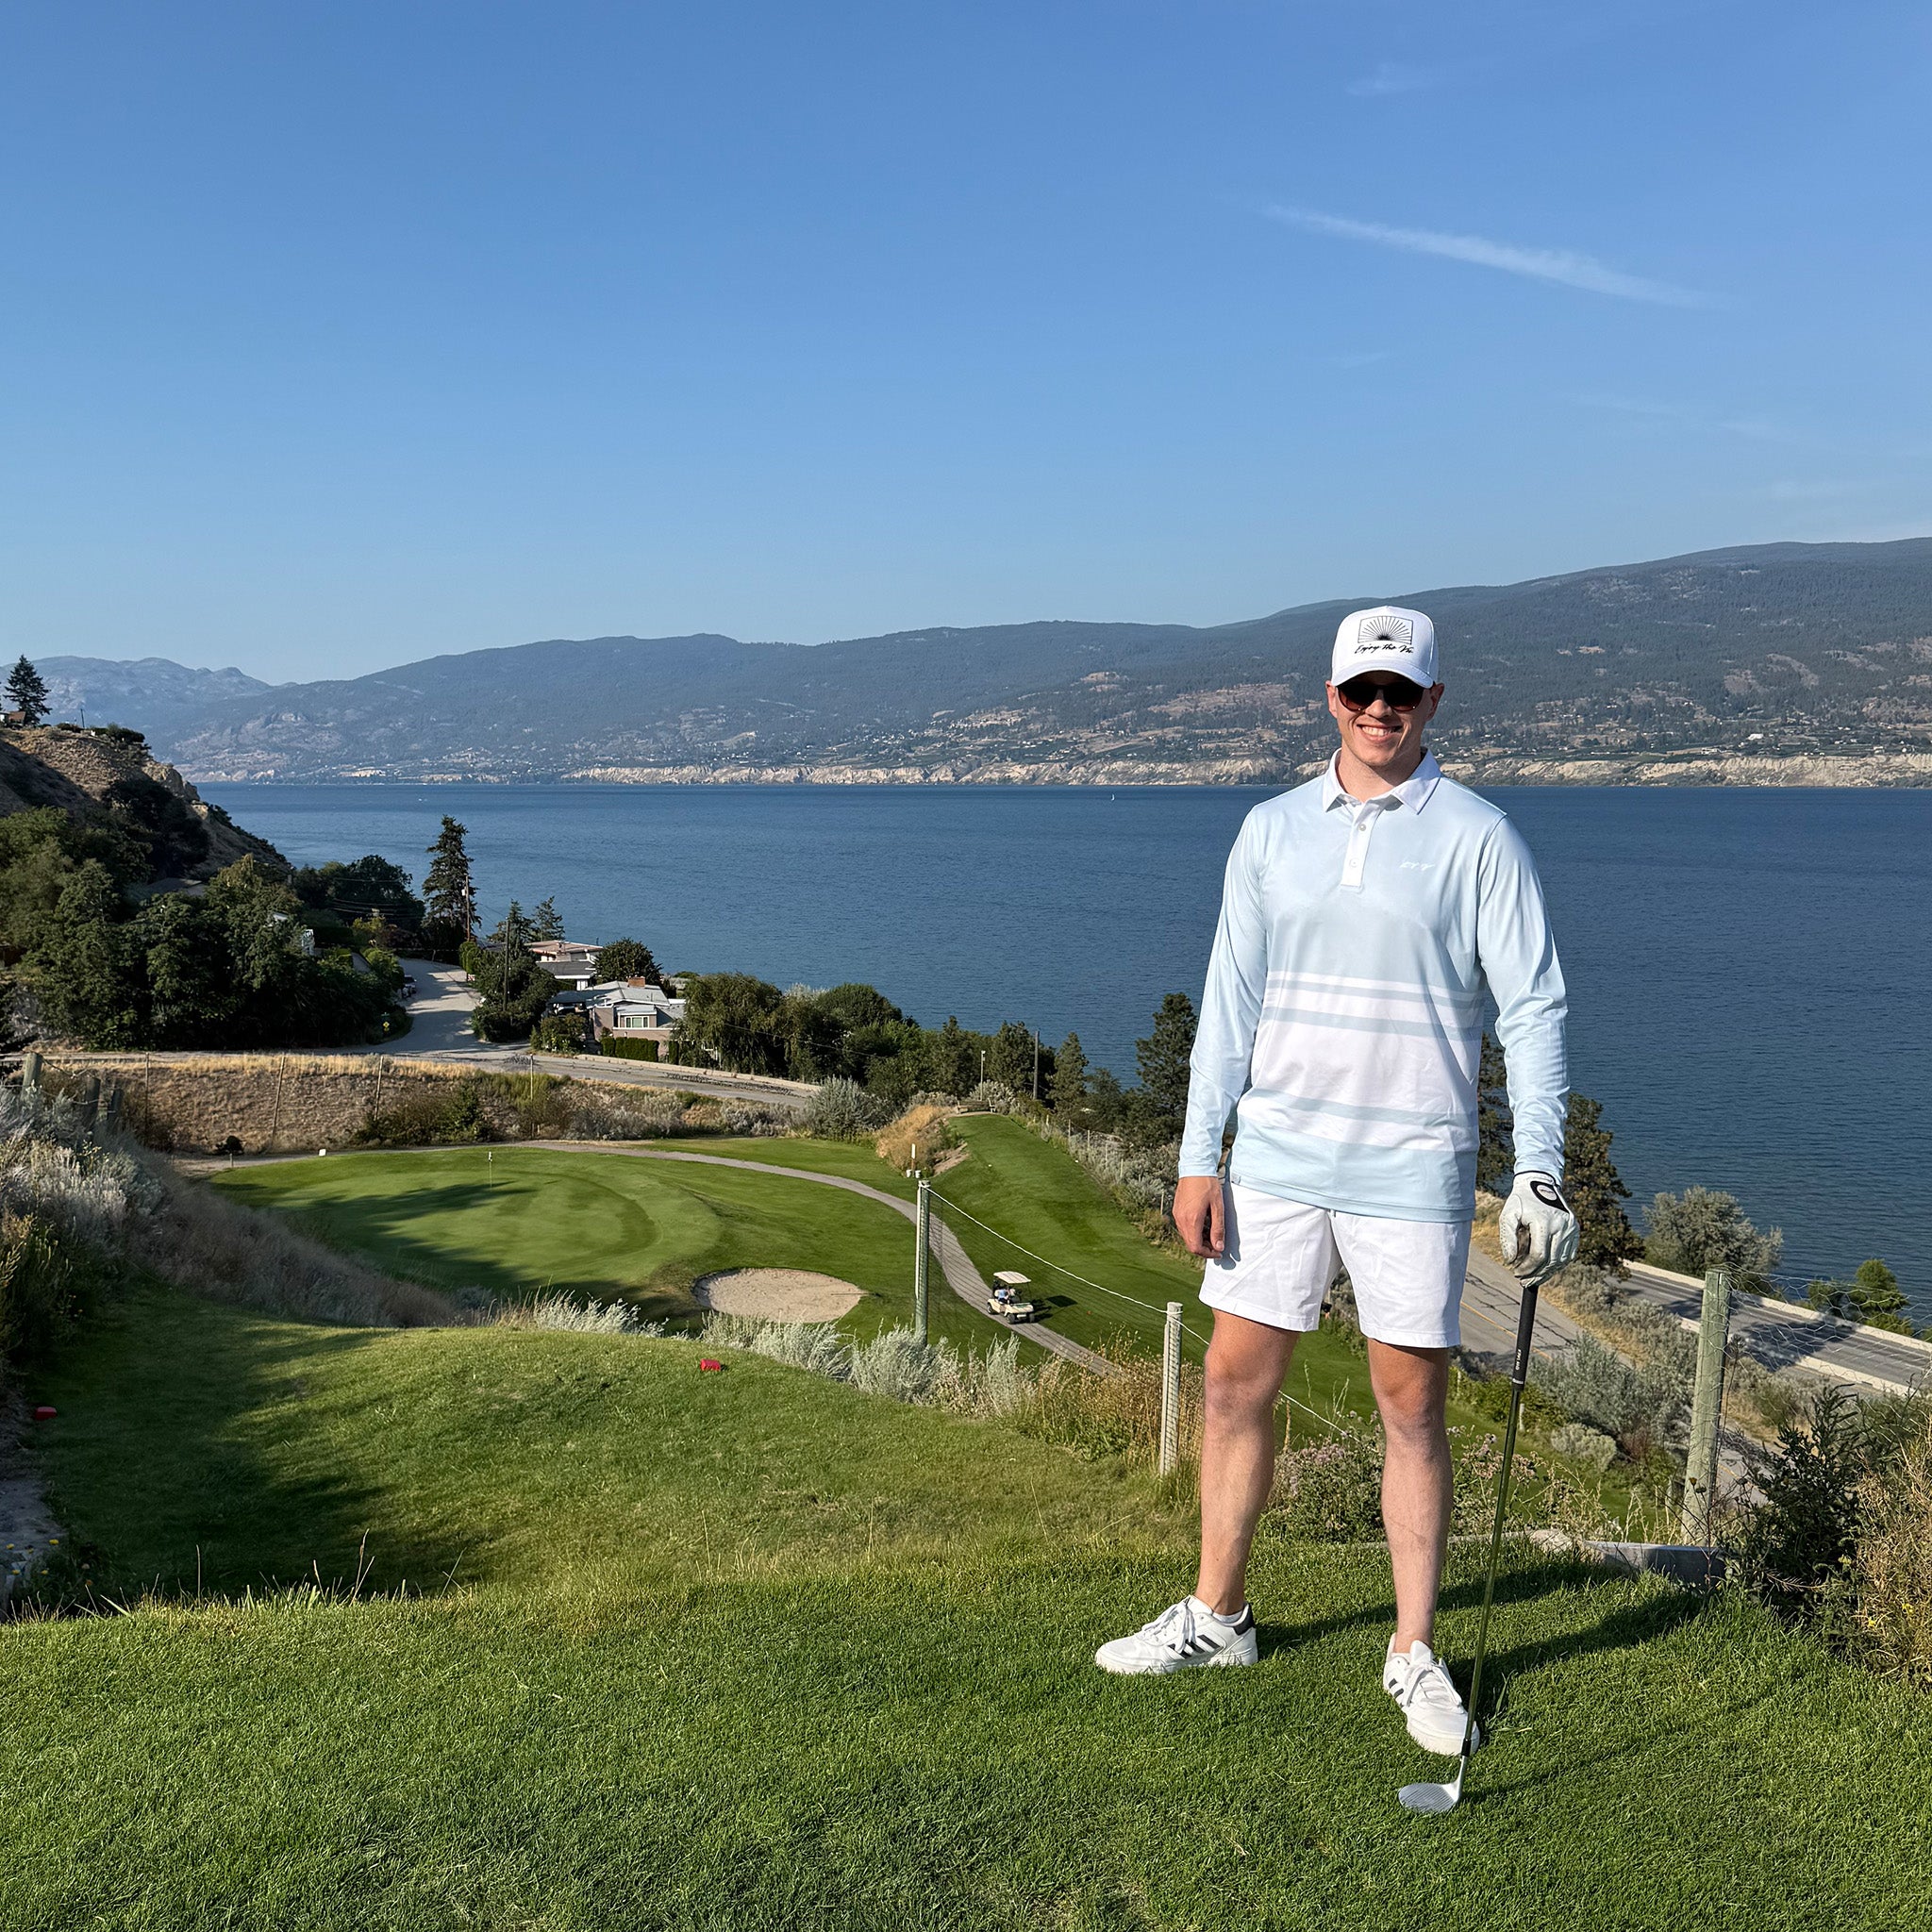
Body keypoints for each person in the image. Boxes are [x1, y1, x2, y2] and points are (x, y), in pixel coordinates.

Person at [1094, 605, 1579, 1756]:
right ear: (1327, 697)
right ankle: (1219, 1613)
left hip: (1410, 1164)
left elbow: (1533, 1005)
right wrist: (1196, 1151)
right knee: (1229, 1385)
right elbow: (1229, 1001)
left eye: (1399, 693)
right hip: (1275, 1157)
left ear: (1431, 702)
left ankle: (1412, 1649)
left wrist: (1541, 1168)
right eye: (1361, 690)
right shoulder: (1268, 830)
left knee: (1410, 1406)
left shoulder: (1477, 836)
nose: (1379, 709)